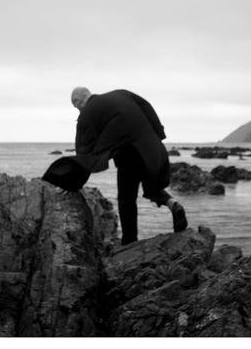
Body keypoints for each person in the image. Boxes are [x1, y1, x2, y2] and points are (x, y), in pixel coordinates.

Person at [68, 87, 187, 245]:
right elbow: (146, 106)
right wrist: (158, 135)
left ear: (78, 101)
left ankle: (129, 241)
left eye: (76, 107)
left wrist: (74, 178)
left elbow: (84, 151)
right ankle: (174, 205)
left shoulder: (87, 114)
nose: (78, 110)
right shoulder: (121, 94)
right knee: (152, 188)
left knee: (126, 199)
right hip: (156, 149)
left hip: (130, 155)